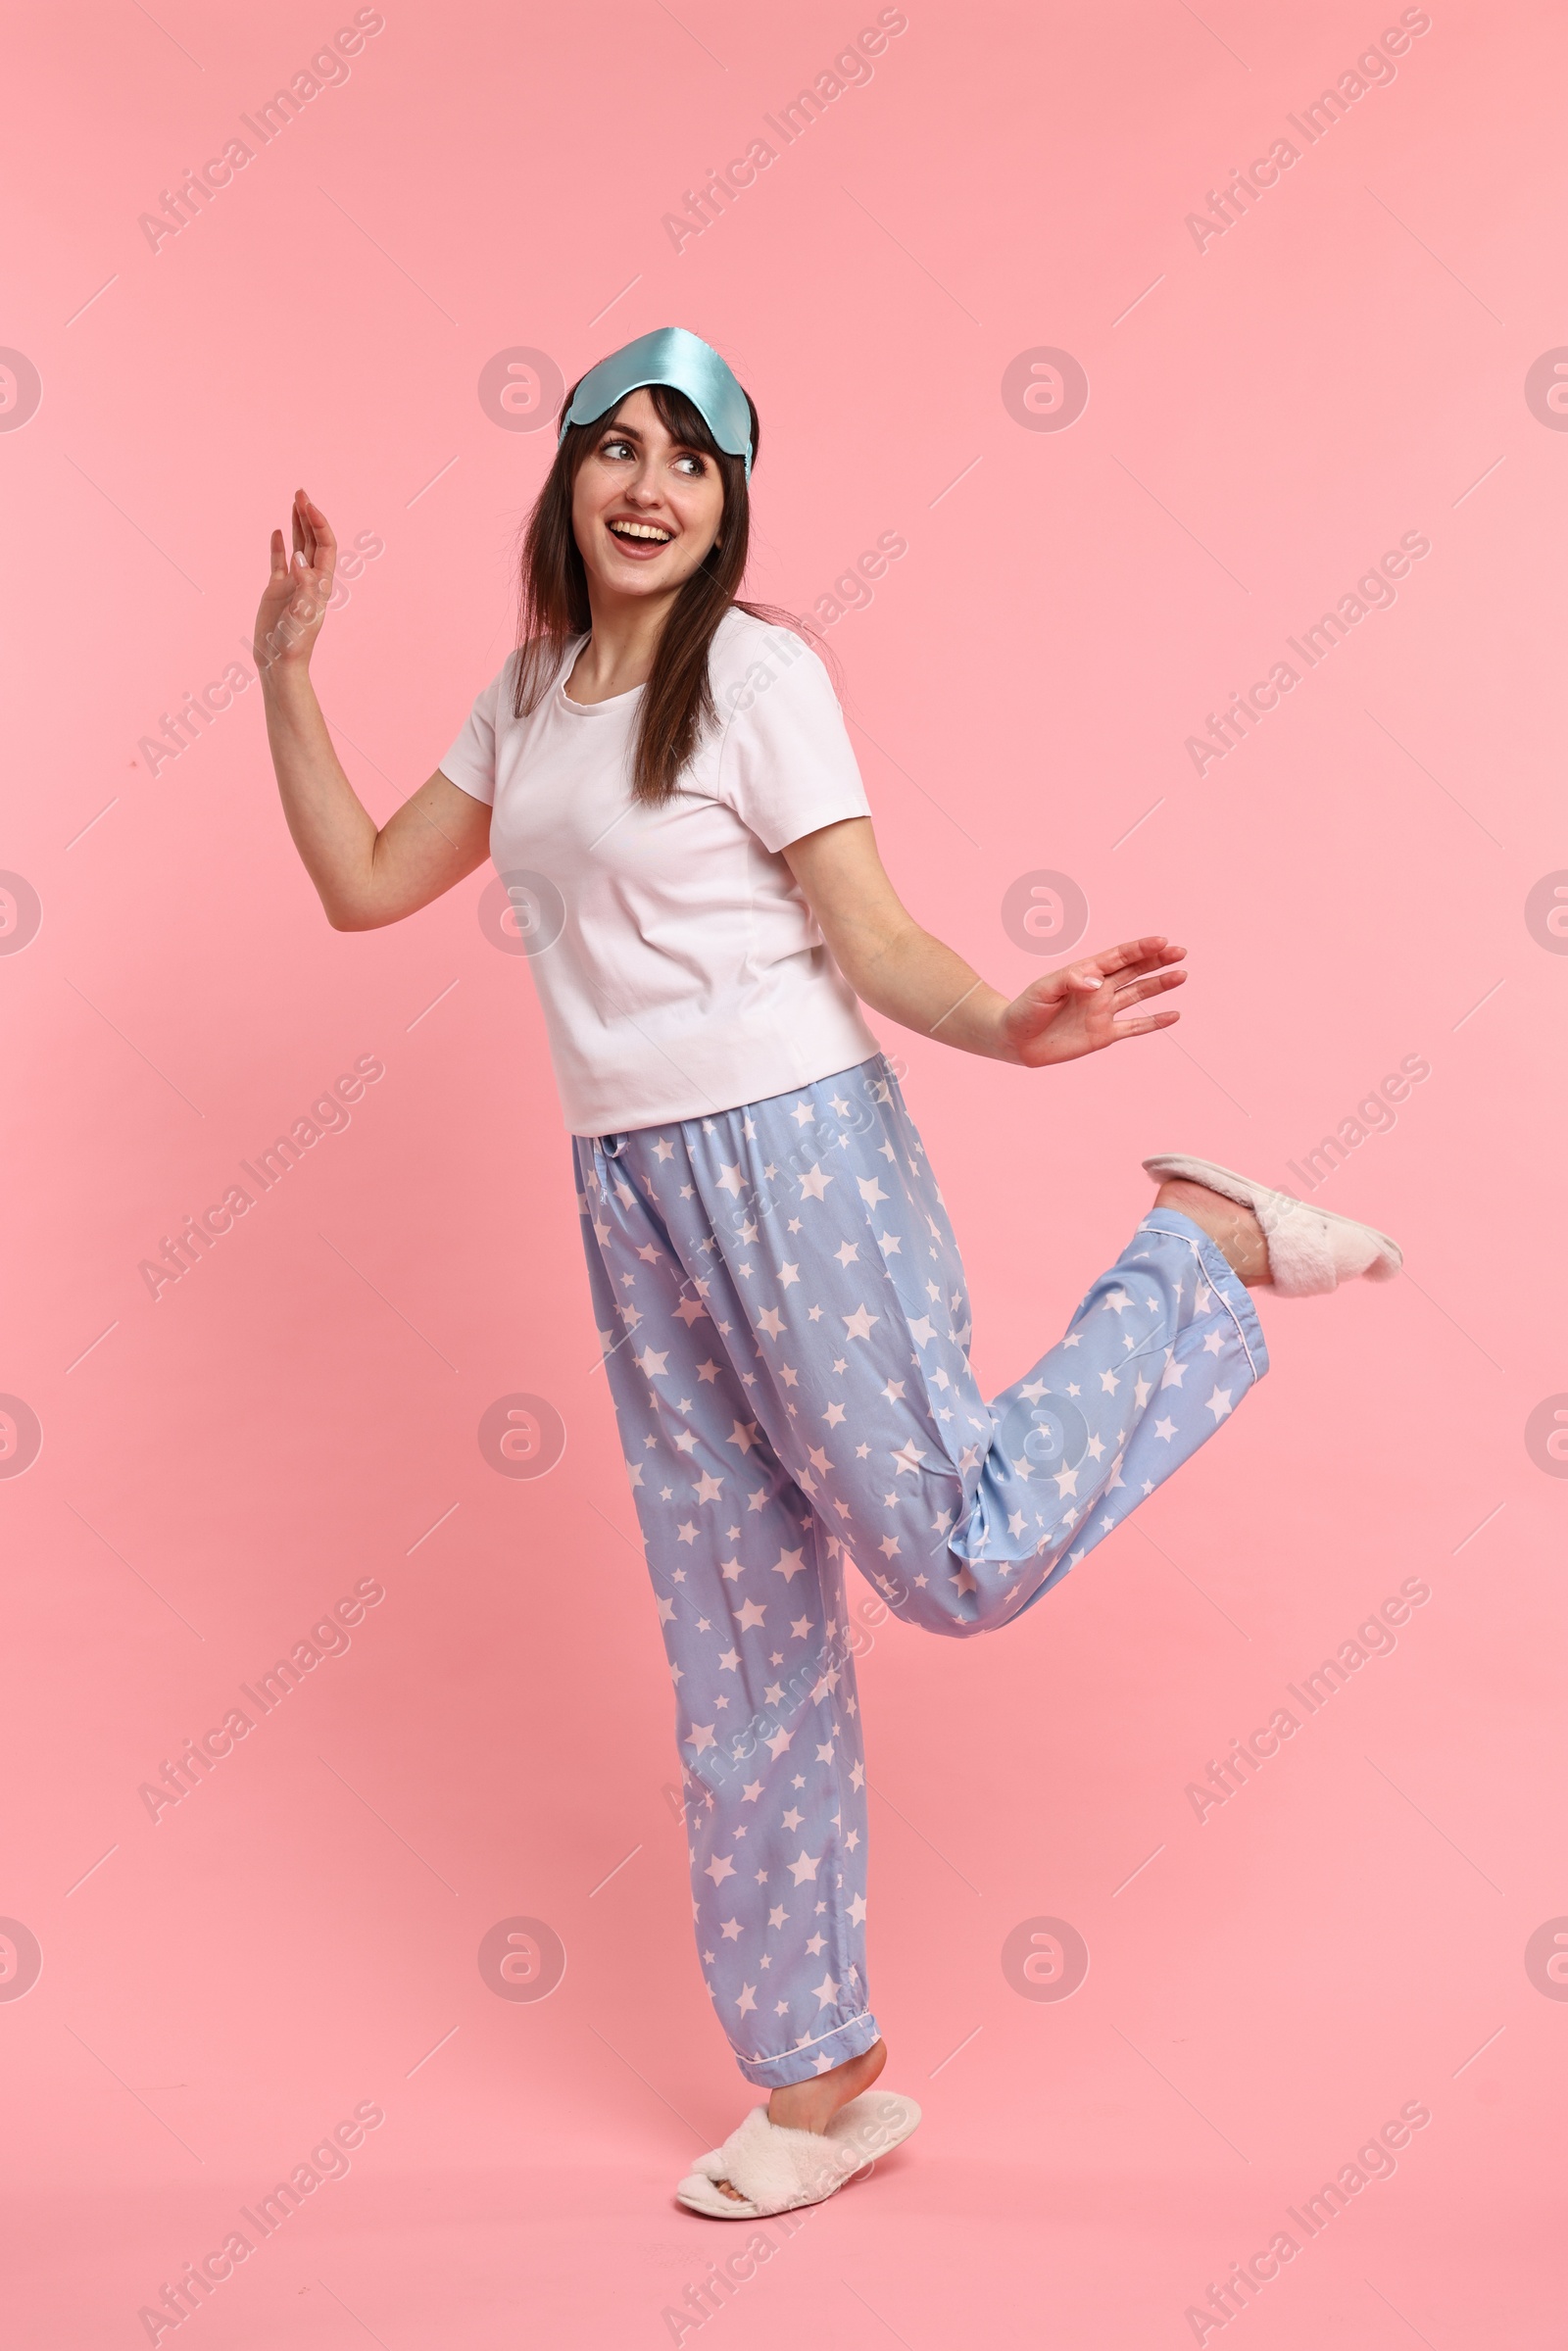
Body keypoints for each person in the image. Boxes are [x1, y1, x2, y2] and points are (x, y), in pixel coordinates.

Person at [255, 325, 1402, 2222]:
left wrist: (1011, 1024)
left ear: (727, 502)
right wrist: (287, 668)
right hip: (628, 1189)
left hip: (794, 1159)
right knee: (737, 1637)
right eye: (614, 450)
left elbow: (871, 934)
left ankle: (1194, 1250)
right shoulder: (529, 694)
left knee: (950, 1555)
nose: (646, 486)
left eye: (687, 460)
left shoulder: (759, 677)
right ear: (566, 483)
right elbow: (364, 883)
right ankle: (820, 2081)